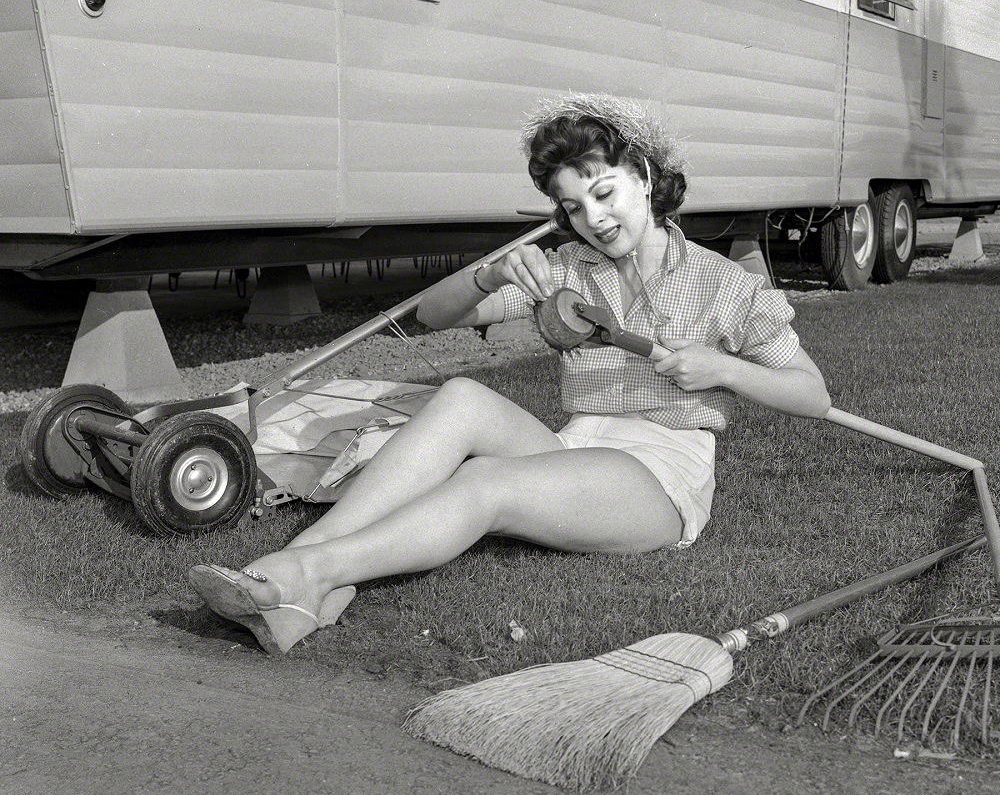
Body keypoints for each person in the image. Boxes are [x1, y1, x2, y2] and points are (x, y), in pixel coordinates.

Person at [189, 93, 830, 654]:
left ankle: (312, 575)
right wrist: (489, 275)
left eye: (604, 193)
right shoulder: (568, 273)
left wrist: (723, 368)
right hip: (574, 448)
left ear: (645, 177)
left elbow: (812, 394)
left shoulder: (726, 284)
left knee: (487, 483)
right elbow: (431, 317)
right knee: (463, 395)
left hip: (661, 476)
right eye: (573, 208)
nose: (594, 219)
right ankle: (306, 572)